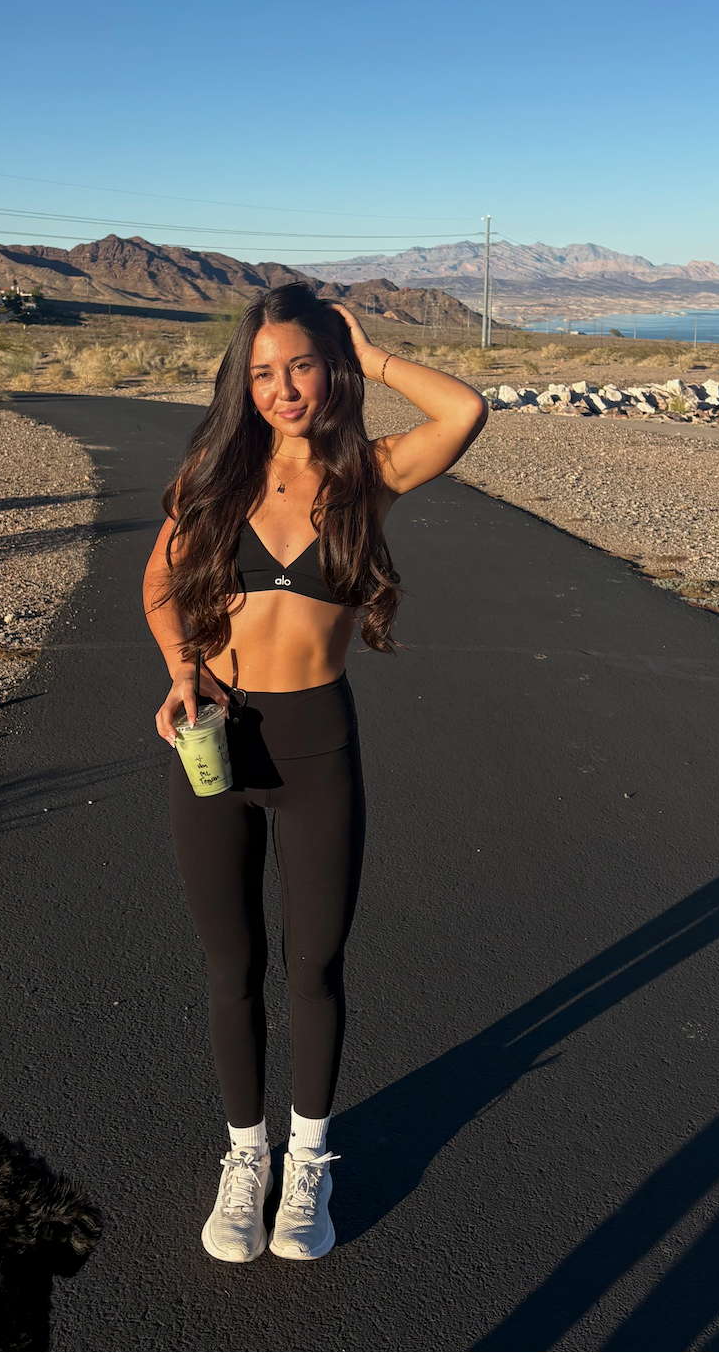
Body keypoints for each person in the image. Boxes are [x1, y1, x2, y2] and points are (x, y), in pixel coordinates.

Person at [143, 282, 487, 1262]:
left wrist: (368, 354)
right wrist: (181, 672)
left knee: (315, 965)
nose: (283, 389)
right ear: (241, 383)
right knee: (231, 965)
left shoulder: (369, 474)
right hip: (215, 737)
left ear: (330, 370)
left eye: (301, 366)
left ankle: (309, 1164)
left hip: (316, 745)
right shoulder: (215, 475)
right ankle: (245, 1156)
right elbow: (160, 581)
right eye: (263, 373)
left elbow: (463, 411)